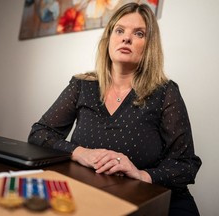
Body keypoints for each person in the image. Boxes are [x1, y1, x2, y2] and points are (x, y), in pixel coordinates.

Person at [28, 2, 202, 216]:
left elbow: (185, 165)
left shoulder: (165, 91)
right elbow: (39, 133)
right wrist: (80, 153)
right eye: (119, 30)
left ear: (149, 46)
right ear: (109, 38)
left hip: (154, 199)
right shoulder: (82, 84)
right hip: (95, 194)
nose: (126, 38)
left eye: (139, 33)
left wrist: (141, 175)